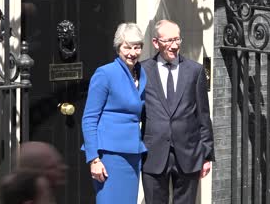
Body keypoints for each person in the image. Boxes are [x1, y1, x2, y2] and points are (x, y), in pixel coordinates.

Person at [141, 20, 214, 204]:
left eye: (178, 39)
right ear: (156, 43)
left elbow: (203, 116)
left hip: (188, 155)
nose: (175, 45)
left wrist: (206, 156)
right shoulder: (142, 71)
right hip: (153, 155)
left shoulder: (195, 71)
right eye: (169, 41)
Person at [81, 23, 147, 204]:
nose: (132, 52)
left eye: (137, 47)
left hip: (133, 154)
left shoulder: (142, 74)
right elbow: (89, 118)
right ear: (118, 48)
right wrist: (93, 159)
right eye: (127, 47)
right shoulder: (105, 73)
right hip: (109, 156)